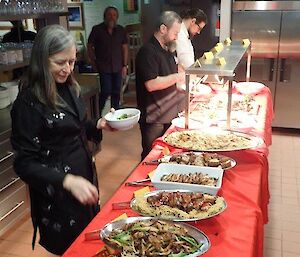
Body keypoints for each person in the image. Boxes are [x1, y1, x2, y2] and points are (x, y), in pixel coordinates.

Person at [10, 25, 114, 255]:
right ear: (41, 59)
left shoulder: (68, 87)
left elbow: (74, 125)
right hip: (56, 191)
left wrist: (97, 124)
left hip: (82, 177)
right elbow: (24, 163)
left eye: (72, 62)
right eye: (60, 62)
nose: (68, 69)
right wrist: (67, 181)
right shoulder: (28, 103)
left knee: (88, 241)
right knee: (69, 248)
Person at [135, 11, 185, 160]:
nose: (176, 36)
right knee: (151, 156)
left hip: (168, 111)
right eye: (175, 32)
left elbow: (172, 72)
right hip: (154, 117)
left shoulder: (168, 48)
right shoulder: (147, 51)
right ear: (163, 29)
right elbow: (152, 84)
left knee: (167, 155)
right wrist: (180, 77)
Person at [87, 6, 128, 116]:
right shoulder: (97, 29)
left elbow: (125, 48)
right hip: (103, 66)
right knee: (105, 90)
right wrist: (92, 60)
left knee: (116, 92)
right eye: (109, 14)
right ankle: (97, 113)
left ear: (117, 17)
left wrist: (125, 65)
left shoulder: (121, 30)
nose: (112, 17)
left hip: (118, 66)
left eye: (114, 15)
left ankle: (115, 114)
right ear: (105, 16)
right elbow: (89, 46)